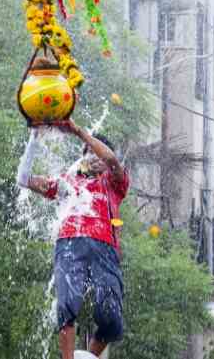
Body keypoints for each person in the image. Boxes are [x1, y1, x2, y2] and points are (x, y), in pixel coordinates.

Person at [16, 118, 129, 359]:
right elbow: (23, 179)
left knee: (112, 320)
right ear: (82, 157)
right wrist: (34, 138)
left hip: (105, 249)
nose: (95, 159)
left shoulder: (115, 183)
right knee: (67, 305)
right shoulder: (67, 182)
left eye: (98, 153)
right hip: (70, 242)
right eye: (89, 154)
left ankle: (90, 356)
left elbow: (110, 160)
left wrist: (78, 130)